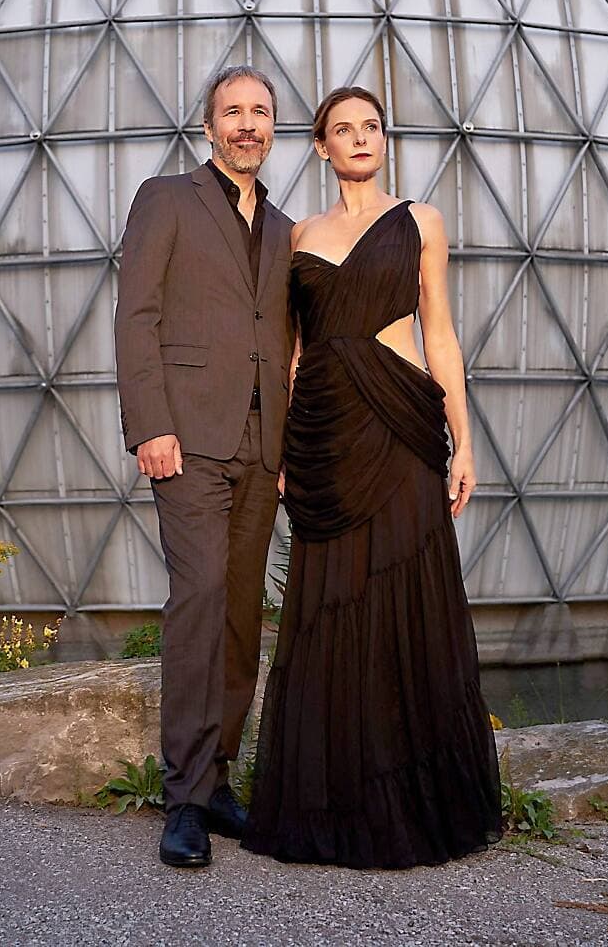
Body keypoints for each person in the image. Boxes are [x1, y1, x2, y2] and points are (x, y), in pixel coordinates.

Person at [242, 84, 502, 868]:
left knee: (408, 600)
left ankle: (415, 800)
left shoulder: (421, 221)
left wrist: (464, 438)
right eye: (343, 130)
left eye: (372, 126)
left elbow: (442, 334)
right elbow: (290, 352)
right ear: (321, 146)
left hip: (401, 421)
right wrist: (284, 447)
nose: (360, 138)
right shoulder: (296, 236)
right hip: (325, 430)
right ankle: (332, 800)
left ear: (383, 139)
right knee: (331, 608)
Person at [113, 64, 295, 869]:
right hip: (186, 438)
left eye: (260, 111)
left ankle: (218, 778)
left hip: (263, 445)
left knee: (242, 609)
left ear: (272, 126)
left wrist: (288, 447)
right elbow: (137, 316)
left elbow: (282, 335)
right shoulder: (167, 198)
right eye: (233, 111)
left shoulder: (285, 227)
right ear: (209, 123)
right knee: (200, 595)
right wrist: (150, 423)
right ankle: (183, 797)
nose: (247, 124)